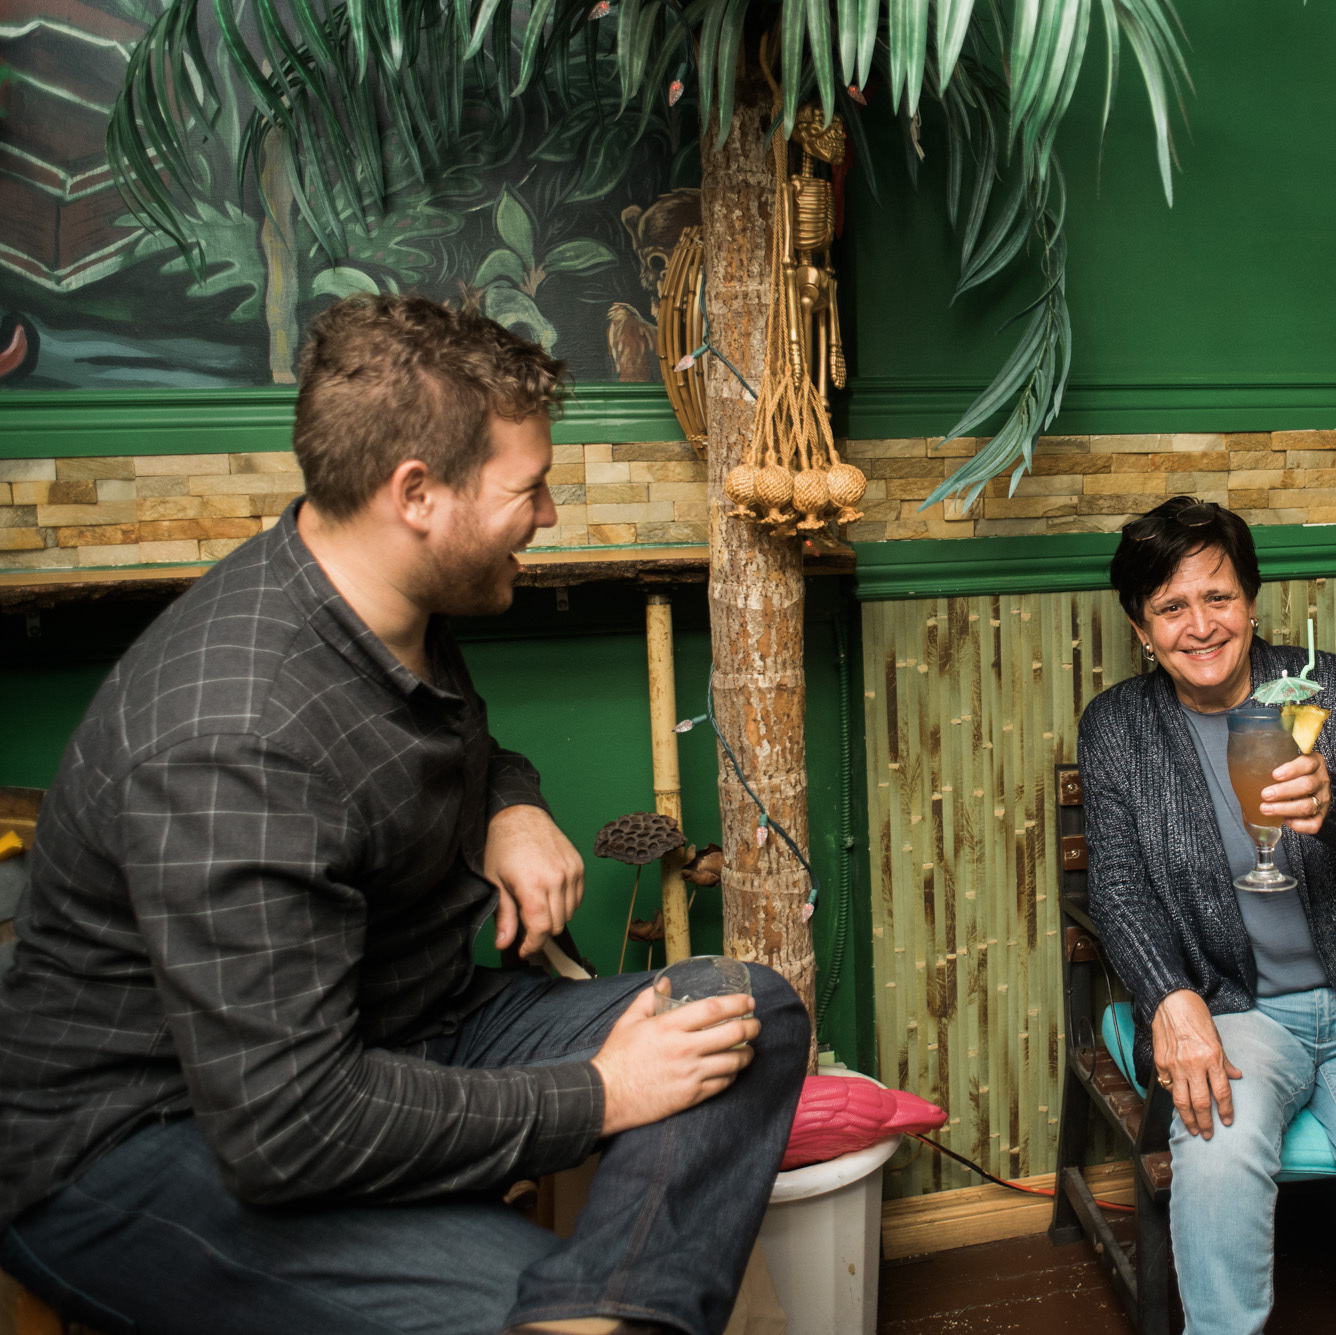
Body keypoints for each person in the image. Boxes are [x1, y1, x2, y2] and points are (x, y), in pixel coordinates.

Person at [0, 295, 808, 1335]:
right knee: (516, 1298)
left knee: (742, 1010)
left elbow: (425, 749)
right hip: (151, 1140)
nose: (548, 514)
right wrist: (604, 1092)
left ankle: (602, 1309)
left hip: (398, 1029)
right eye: (528, 488)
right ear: (416, 493)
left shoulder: (377, 596)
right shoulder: (236, 735)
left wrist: (509, 804)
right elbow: (286, 1126)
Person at [1078, 496, 1336, 1335]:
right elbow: (1117, 887)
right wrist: (1169, 997)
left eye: (1218, 596)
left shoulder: (1327, 689)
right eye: (1171, 607)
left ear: (1252, 602)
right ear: (1142, 628)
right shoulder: (1118, 726)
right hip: (1236, 1011)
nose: (1200, 626)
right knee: (1215, 1163)